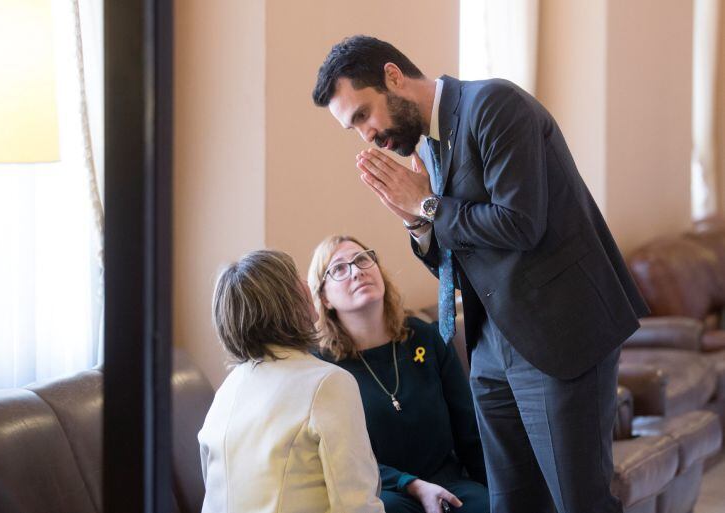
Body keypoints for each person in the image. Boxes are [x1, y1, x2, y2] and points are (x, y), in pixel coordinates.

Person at [312, 35, 649, 513]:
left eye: (363, 115)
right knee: (512, 504)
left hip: (560, 334)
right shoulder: (425, 149)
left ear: (392, 76)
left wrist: (426, 203)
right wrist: (415, 221)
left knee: (579, 502)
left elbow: (521, 223)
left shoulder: (493, 104)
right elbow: (454, 257)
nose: (367, 134)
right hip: (491, 349)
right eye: (354, 127)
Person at [308, 235, 489, 513]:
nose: (357, 271)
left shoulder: (427, 338)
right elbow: (340, 460)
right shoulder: (321, 369)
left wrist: (501, 490)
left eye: (362, 259)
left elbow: (469, 431)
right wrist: (410, 484)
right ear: (324, 297)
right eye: (339, 269)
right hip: (382, 494)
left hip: (449, 484)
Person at [198, 249, 385, 513]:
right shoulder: (329, 383)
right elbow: (356, 504)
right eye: (297, 277)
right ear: (287, 300)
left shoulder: (226, 390)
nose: (307, 284)